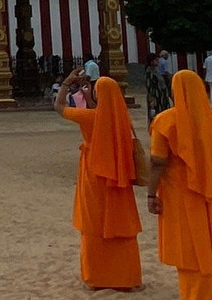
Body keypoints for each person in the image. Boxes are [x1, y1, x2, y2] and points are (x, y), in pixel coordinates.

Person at [53, 68, 142, 291]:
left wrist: (66, 84)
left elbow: (59, 107)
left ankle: (98, 276)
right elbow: (107, 116)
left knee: (94, 223)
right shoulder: (122, 118)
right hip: (118, 178)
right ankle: (125, 277)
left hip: (95, 174)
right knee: (119, 223)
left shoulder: (90, 117)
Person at [147, 70, 212, 300]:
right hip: (210, 195)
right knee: (211, 251)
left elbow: (157, 162)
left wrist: (151, 194)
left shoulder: (166, 121)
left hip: (180, 195)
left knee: (190, 253)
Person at [144, 53, 172, 127]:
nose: (158, 61)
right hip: (156, 97)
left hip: (162, 96)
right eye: (156, 60)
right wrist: (152, 99)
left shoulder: (155, 71)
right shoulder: (149, 72)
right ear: (151, 61)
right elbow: (149, 86)